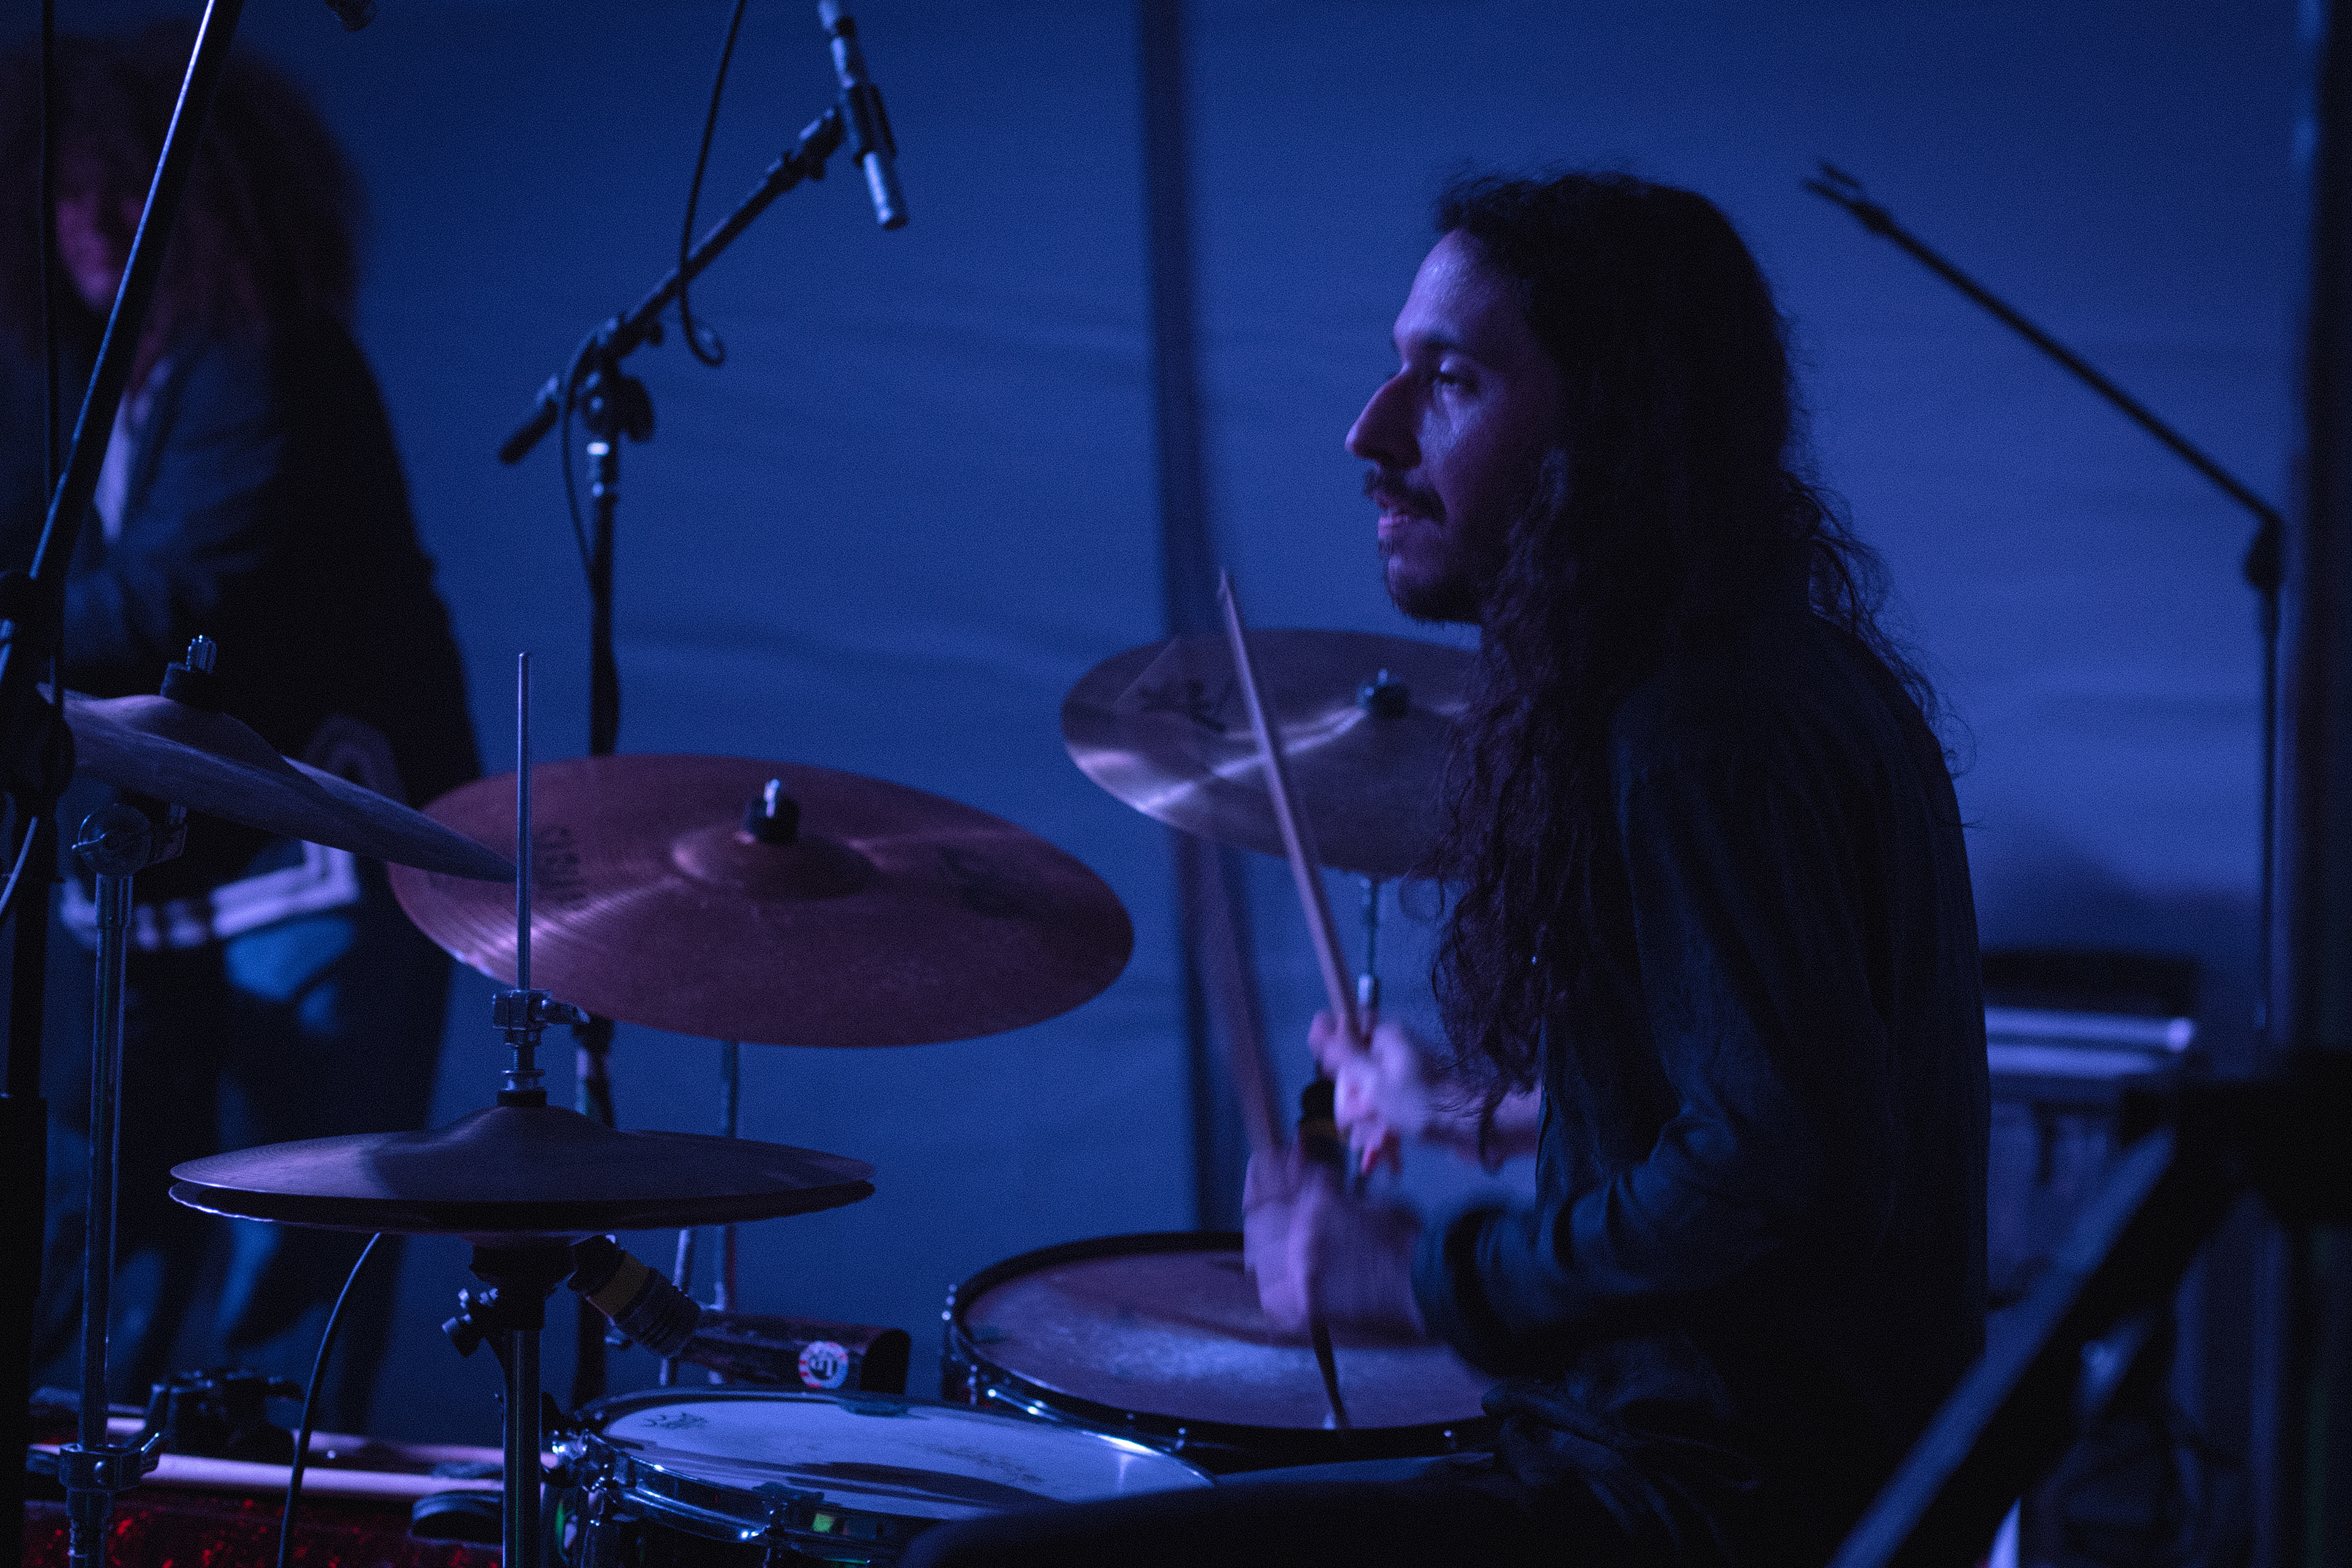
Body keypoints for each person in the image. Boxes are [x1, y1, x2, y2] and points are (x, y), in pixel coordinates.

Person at [906, 172, 1987, 1566]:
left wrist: (1420, 1275)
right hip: (1741, 1485)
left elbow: (1775, 1176)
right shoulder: (1793, 680)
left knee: (967, 1565)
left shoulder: (1696, 732)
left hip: (1685, 1511)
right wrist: (1480, 1111)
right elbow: (1774, 1091)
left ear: (1615, 428)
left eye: (1453, 380)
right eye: (1395, 368)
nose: (1371, 432)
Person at [0, 25, 478, 1431]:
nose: (94, 222)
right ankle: (106, 1493)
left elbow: (181, 591)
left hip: (313, 857)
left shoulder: (266, 355)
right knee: (109, 1221)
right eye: (72, 191)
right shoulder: (108, 379)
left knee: (301, 1226)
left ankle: (277, 1501)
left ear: (207, 196)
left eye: (127, 187)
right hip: (168, 857)